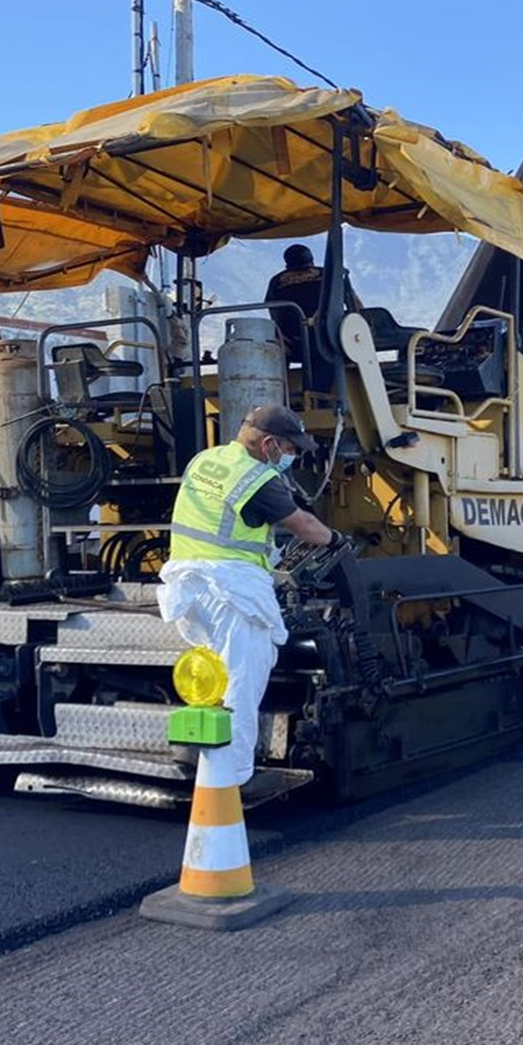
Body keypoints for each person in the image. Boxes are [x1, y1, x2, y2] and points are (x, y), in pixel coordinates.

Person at [157, 404, 346, 788]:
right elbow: (302, 524)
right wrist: (337, 540)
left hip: (190, 584)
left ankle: (204, 760)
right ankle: (232, 778)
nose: (292, 456)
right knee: (243, 683)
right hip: (230, 590)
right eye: (290, 448)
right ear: (269, 444)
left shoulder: (206, 460)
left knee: (212, 681)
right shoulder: (255, 477)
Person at [265, 243, 362, 393]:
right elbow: (355, 306)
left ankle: (280, 394)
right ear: (312, 262)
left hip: (293, 342)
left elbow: (274, 313)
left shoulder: (277, 281)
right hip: (327, 338)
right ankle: (318, 398)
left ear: (287, 266)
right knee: (327, 352)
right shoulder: (329, 275)